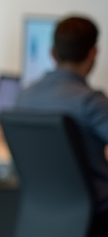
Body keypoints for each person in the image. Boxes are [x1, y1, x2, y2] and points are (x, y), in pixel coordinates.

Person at [16, 16, 108, 226]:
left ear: (52, 52)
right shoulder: (90, 102)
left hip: (45, 213)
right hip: (96, 215)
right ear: (93, 53)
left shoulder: (24, 97)